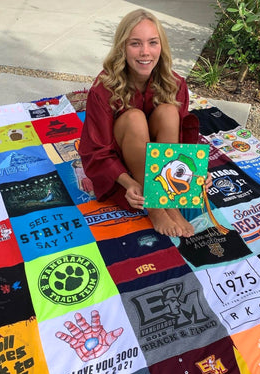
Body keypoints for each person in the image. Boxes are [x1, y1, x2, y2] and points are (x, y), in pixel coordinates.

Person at [79, 8, 212, 238]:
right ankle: (155, 206)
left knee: (170, 111)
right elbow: (96, 150)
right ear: (122, 47)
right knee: (134, 117)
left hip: (163, 170)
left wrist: (198, 170)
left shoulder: (175, 83)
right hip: (124, 170)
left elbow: (179, 140)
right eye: (135, 44)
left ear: (162, 46)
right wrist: (127, 182)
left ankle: (168, 201)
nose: (145, 52)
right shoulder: (103, 89)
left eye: (152, 43)